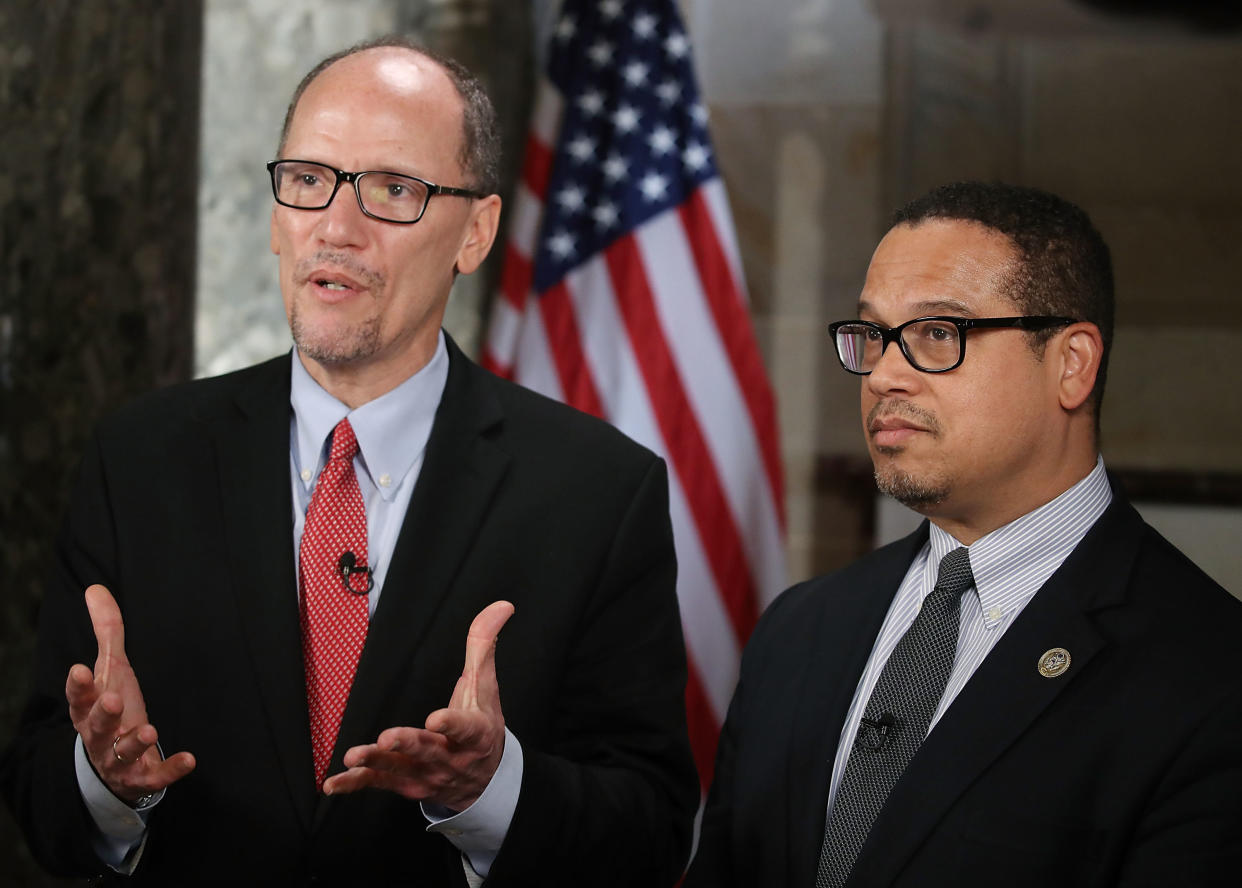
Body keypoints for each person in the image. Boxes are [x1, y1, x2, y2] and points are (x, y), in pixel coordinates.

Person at [1, 37, 698, 886]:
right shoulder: (139, 459)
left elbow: (652, 837)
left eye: (393, 190)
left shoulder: (598, 492)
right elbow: (40, 805)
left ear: (475, 233)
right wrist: (107, 786)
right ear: (274, 213)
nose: (336, 227)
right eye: (308, 180)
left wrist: (489, 790)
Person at [685, 181, 1242, 887]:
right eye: (873, 334)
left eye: (937, 334)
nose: (885, 374)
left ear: (1071, 364)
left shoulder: (1213, 679)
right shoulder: (801, 628)